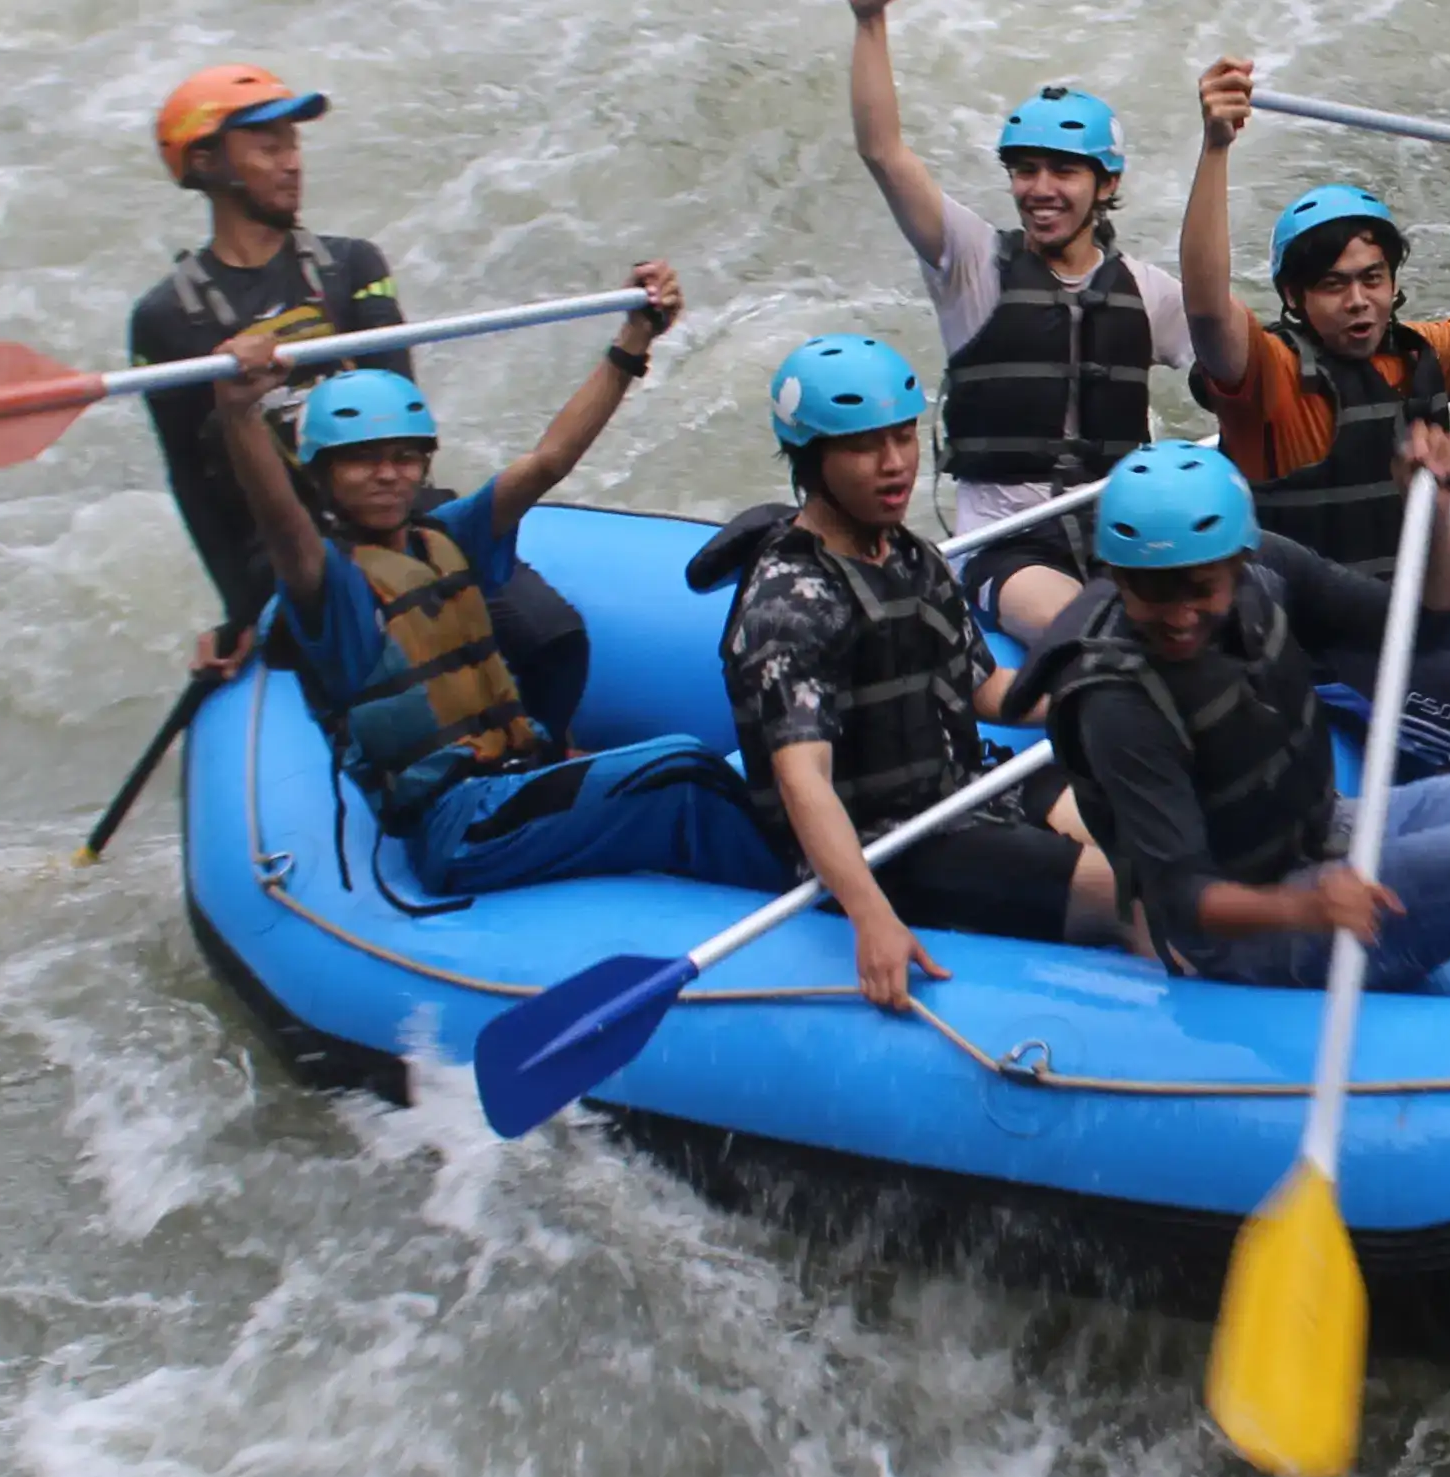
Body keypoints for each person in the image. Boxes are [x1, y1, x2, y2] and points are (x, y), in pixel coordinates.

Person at [208, 265, 794, 901]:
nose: (388, 475)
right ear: (322, 475)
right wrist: (239, 414)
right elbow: (282, 525)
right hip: (461, 826)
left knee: (689, 767)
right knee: (679, 768)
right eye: (363, 461)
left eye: (404, 457)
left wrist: (634, 341)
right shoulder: (334, 585)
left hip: (519, 785)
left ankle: (819, 862)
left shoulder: (445, 537)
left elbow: (550, 460)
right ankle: (813, 889)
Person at [1024, 446, 1450, 992]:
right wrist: (1310, 908)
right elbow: (1183, 901)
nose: (1179, 616)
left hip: (1320, 832)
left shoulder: (1268, 570)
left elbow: (1427, 627)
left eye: (1198, 589)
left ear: (1237, 560)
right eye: (1152, 593)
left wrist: (1435, 513)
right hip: (1246, 927)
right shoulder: (1117, 704)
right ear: (1118, 578)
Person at [1179, 55, 1450, 759]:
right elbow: (1206, 310)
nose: (1358, 302)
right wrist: (1216, 147)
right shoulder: (1269, 376)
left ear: (1393, 282)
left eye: (1373, 279)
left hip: (1420, 613)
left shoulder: (1418, 352)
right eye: (1332, 285)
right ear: (1294, 298)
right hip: (1333, 643)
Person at [127, 60, 587, 736]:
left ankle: (536, 756)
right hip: (295, 553)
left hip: (390, 508)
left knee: (550, 635)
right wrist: (238, 611)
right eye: (268, 146)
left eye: (294, 144)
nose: (291, 164)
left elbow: (396, 414)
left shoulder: (353, 268)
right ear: (207, 161)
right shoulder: (168, 320)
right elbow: (192, 482)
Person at [718, 334, 1117, 1007]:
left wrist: (1101, 694)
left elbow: (986, 690)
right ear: (812, 459)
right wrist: (871, 915)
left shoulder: (910, 557)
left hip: (964, 791)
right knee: (1128, 886)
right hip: (887, 845)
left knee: (1150, 829)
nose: (894, 464)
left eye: (904, 439)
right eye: (864, 447)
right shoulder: (789, 601)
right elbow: (802, 777)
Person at [842, 0, 1191, 640]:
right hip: (1009, 548)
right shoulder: (970, 264)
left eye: (1063, 170)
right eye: (1025, 170)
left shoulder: (1150, 293)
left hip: (1125, 536)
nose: (1040, 188)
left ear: (1107, 184)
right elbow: (884, 152)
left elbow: (1242, 370)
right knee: (1101, 636)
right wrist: (869, 20)